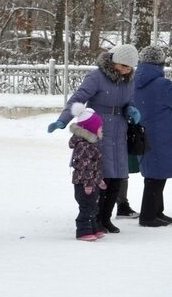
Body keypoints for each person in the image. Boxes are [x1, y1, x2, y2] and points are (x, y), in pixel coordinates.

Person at [48, 43, 141, 234]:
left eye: (129, 67)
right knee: (101, 175)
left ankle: (106, 218)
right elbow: (78, 99)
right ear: (113, 60)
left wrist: (131, 109)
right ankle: (95, 218)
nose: (125, 70)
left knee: (117, 177)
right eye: (122, 66)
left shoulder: (129, 79)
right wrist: (63, 120)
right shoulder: (97, 76)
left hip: (119, 129)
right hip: (97, 127)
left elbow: (129, 101)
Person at [133, 45, 172, 227]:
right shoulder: (162, 84)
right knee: (155, 178)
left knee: (154, 174)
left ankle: (157, 211)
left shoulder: (133, 82)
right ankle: (149, 216)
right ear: (160, 63)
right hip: (162, 134)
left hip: (143, 133)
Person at [67, 103, 107, 242]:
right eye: (100, 128)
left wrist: (98, 180)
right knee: (86, 208)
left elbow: (95, 166)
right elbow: (85, 167)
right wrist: (89, 183)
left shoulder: (91, 144)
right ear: (91, 129)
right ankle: (83, 231)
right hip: (84, 184)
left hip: (91, 183)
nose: (102, 130)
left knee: (93, 207)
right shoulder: (84, 146)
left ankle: (93, 228)